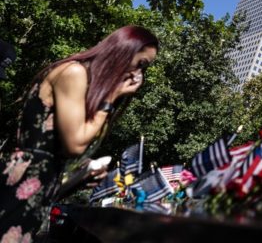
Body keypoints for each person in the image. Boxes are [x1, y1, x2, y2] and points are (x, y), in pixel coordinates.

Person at [0, 26, 158, 240]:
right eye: (140, 64)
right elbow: (75, 145)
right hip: (16, 190)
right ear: (124, 51)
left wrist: (81, 179)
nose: (138, 75)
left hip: (34, 196)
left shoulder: (84, 82)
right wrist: (111, 97)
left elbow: (51, 162)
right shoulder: (73, 72)